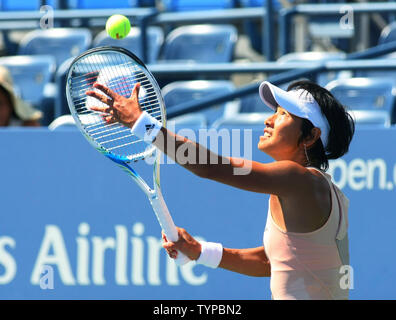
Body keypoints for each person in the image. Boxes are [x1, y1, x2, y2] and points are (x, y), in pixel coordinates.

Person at [86, 78, 355, 300]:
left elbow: (212, 167)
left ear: (310, 136)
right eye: (274, 112)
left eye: (283, 115)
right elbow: (270, 262)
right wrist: (200, 251)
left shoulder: (298, 179)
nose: (269, 121)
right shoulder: (319, 191)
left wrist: (142, 124)